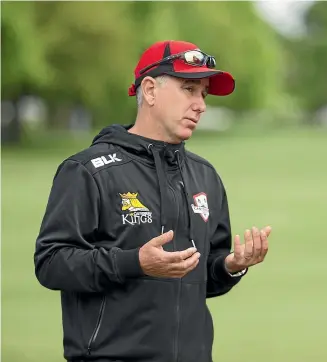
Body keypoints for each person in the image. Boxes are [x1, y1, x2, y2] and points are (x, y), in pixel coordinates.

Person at [34, 40, 272, 362]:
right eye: (189, 89)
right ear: (149, 91)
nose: (201, 104)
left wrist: (230, 267)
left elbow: (203, 278)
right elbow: (51, 263)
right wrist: (134, 263)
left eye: (203, 94)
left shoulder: (205, 176)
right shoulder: (88, 171)